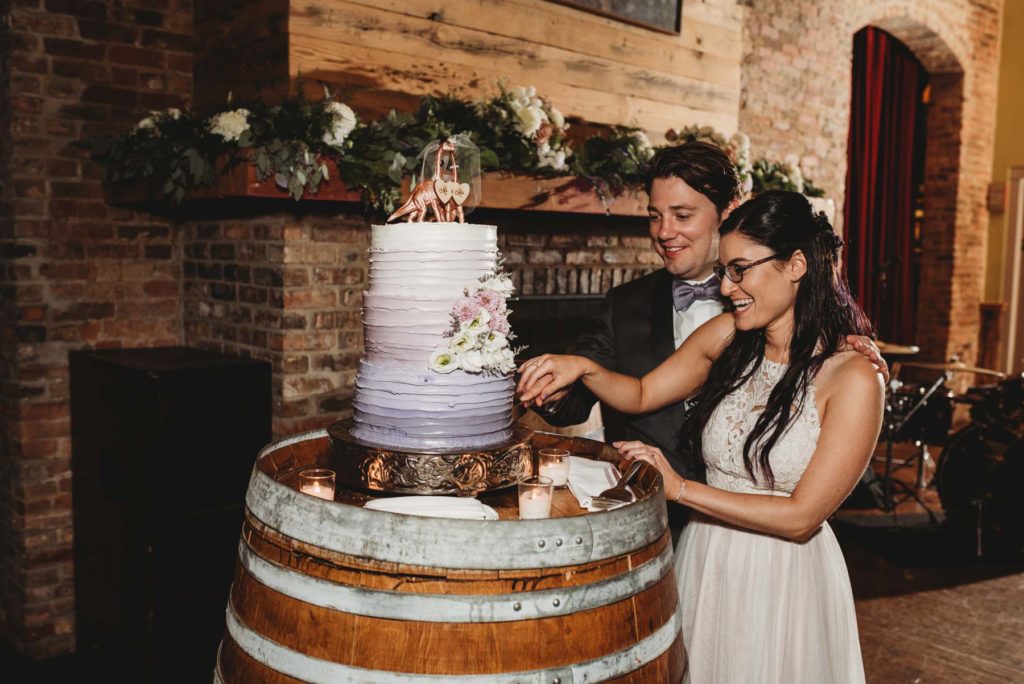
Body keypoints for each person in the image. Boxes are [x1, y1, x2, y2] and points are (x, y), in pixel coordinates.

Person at [518, 191, 882, 682]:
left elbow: (801, 517)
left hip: (783, 578)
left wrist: (679, 488)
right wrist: (583, 367)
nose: (728, 288)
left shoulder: (854, 378)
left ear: (796, 265)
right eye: (726, 271)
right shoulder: (728, 337)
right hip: (707, 558)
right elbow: (643, 391)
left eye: (740, 269)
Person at [530, 142, 887, 539]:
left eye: (682, 215)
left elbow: (808, 504)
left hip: (767, 544)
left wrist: (843, 349)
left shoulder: (839, 358)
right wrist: (570, 371)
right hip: (666, 529)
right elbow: (632, 394)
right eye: (655, 216)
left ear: (727, 213)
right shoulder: (641, 309)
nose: (664, 232)